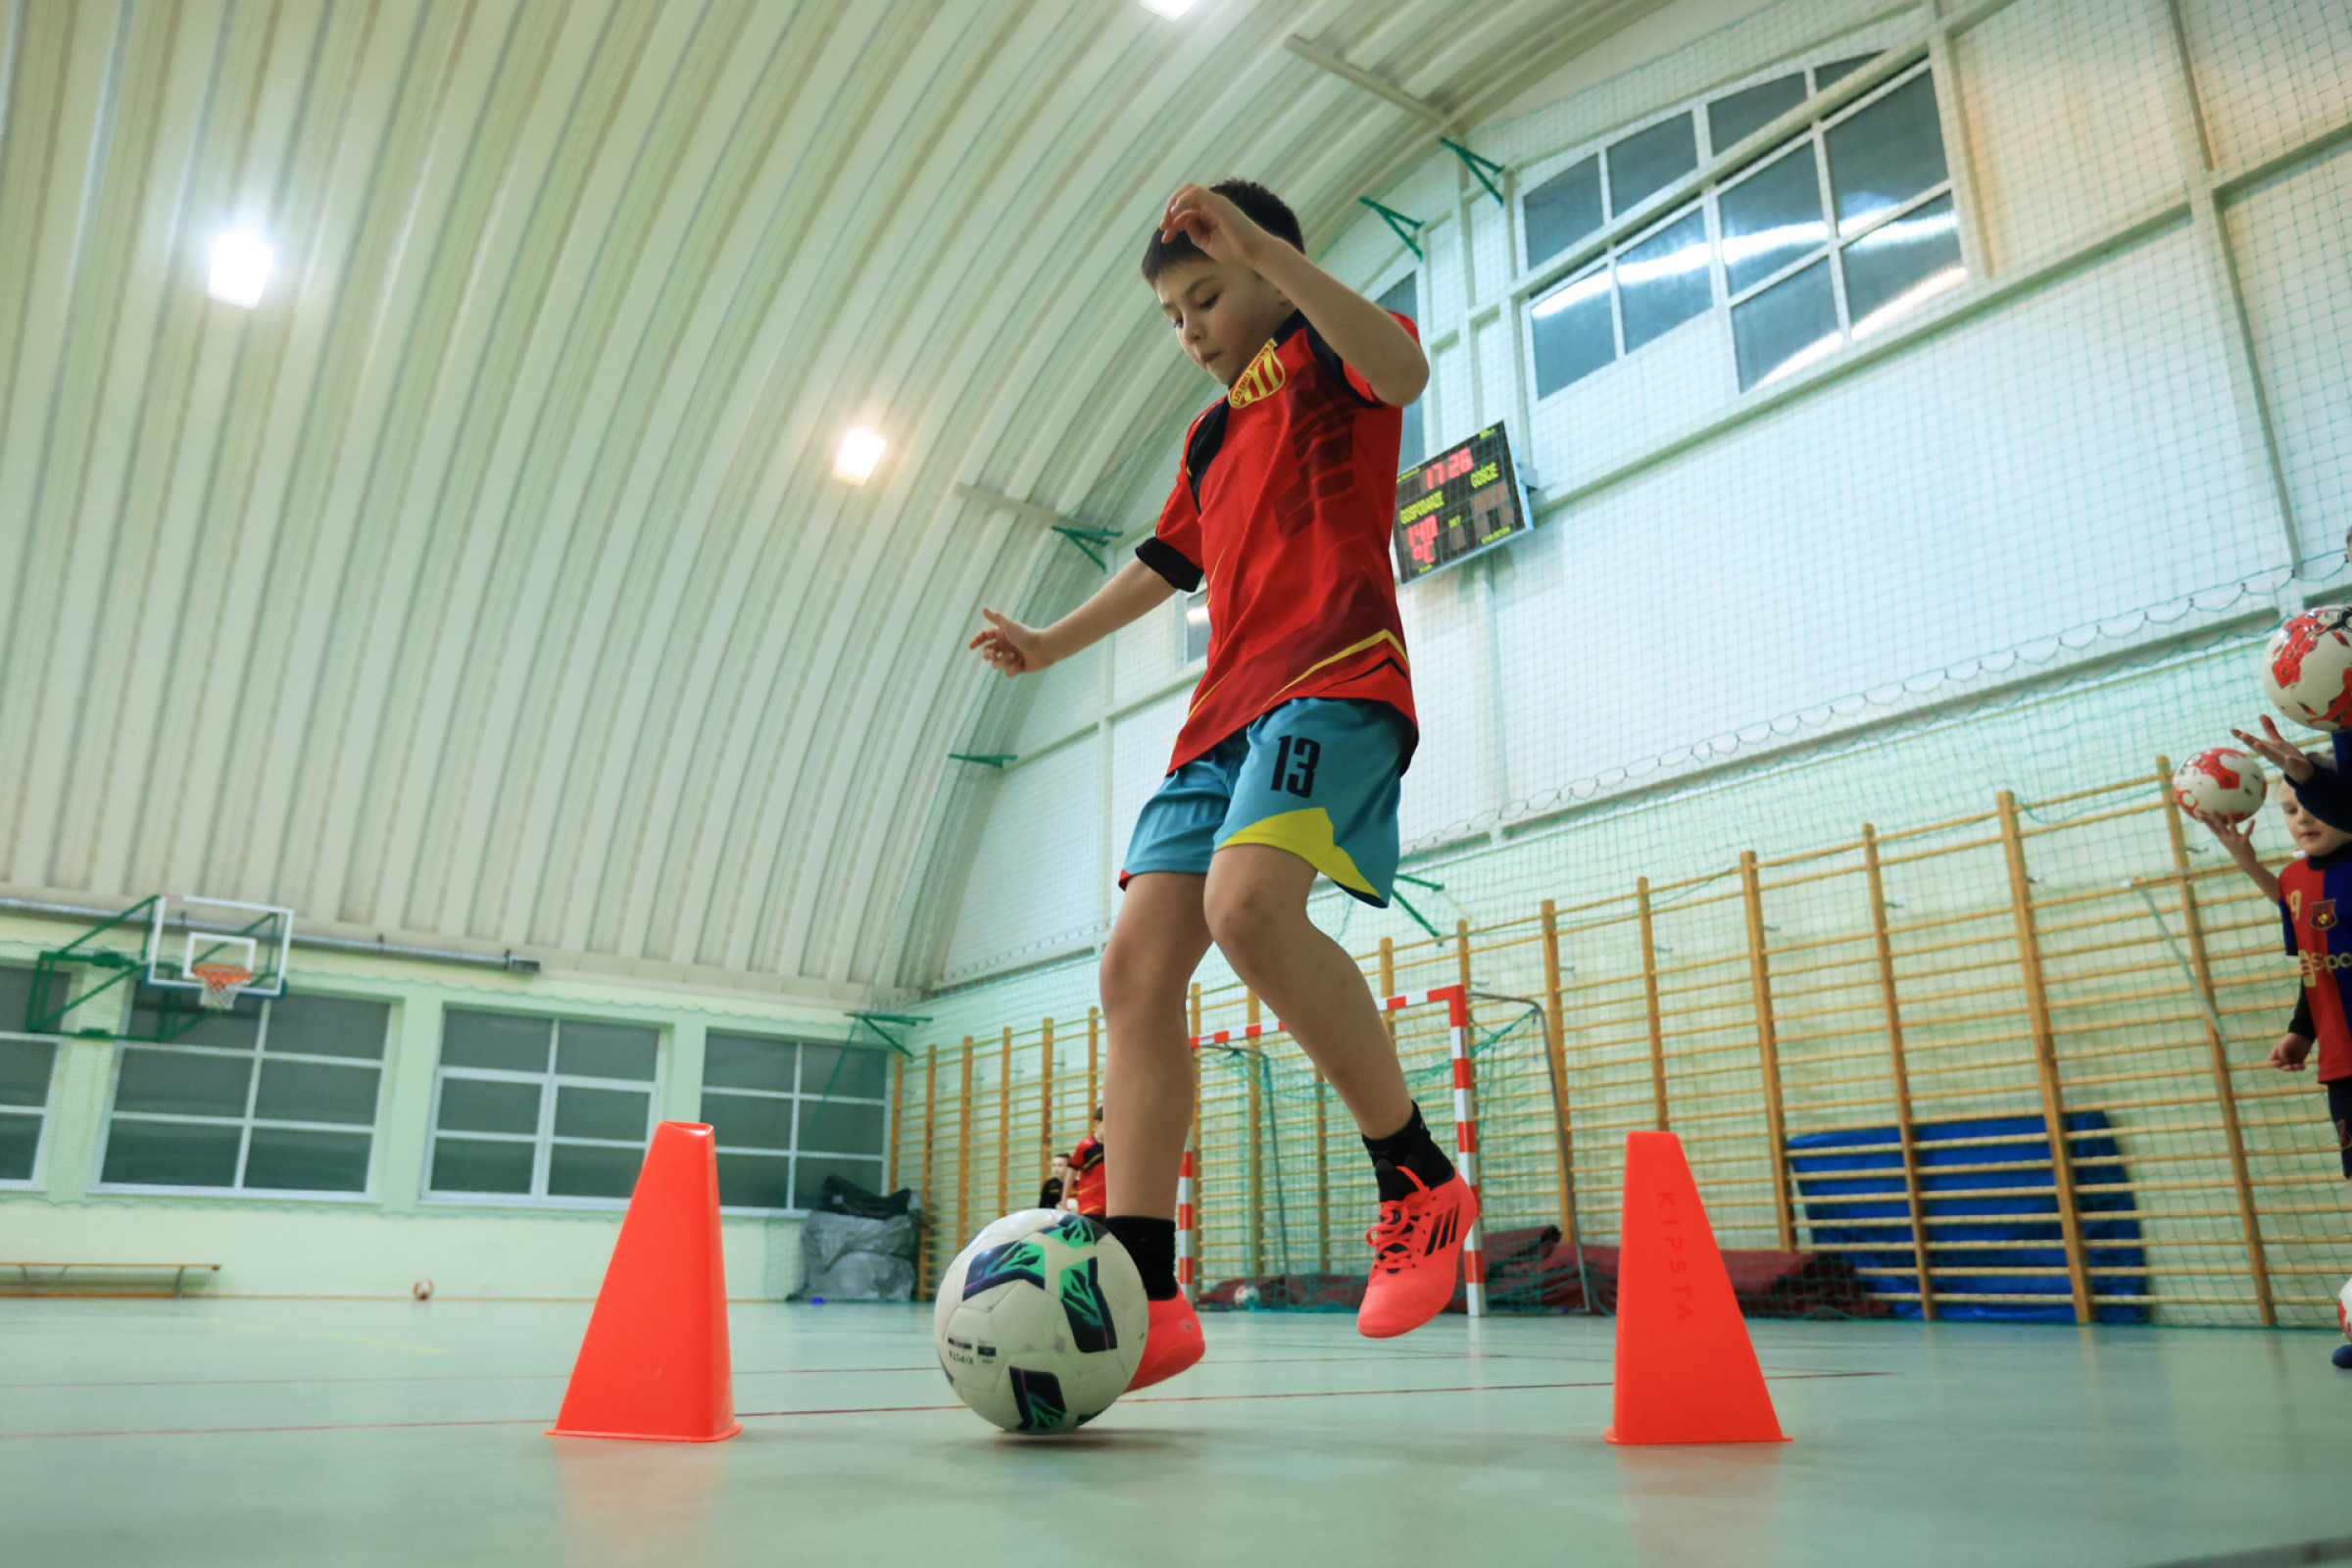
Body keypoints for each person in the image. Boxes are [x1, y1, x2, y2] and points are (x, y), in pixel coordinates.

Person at [969, 179, 1474, 1393]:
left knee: (1245, 908)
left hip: (1331, 677)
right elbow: (1163, 560)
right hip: (1219, 721)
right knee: (1135, 967)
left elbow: (1404, 374)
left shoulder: (1333, 353)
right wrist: (1047, 643)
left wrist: (1267, 252)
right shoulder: (1208, 437)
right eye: (1173, 314)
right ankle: (1148, 1290)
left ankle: (1418, 1178)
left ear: (1264, 265)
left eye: (1206, 295)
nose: (1190, 328)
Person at [1066, 1106, 1106, 1218]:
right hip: (1090, 1205)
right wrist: (1064, 1200)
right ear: (1098, 1123)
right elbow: (1071, 1173)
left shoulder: (1115, 1146)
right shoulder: (1085, 1145)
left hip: (1110, 1206)